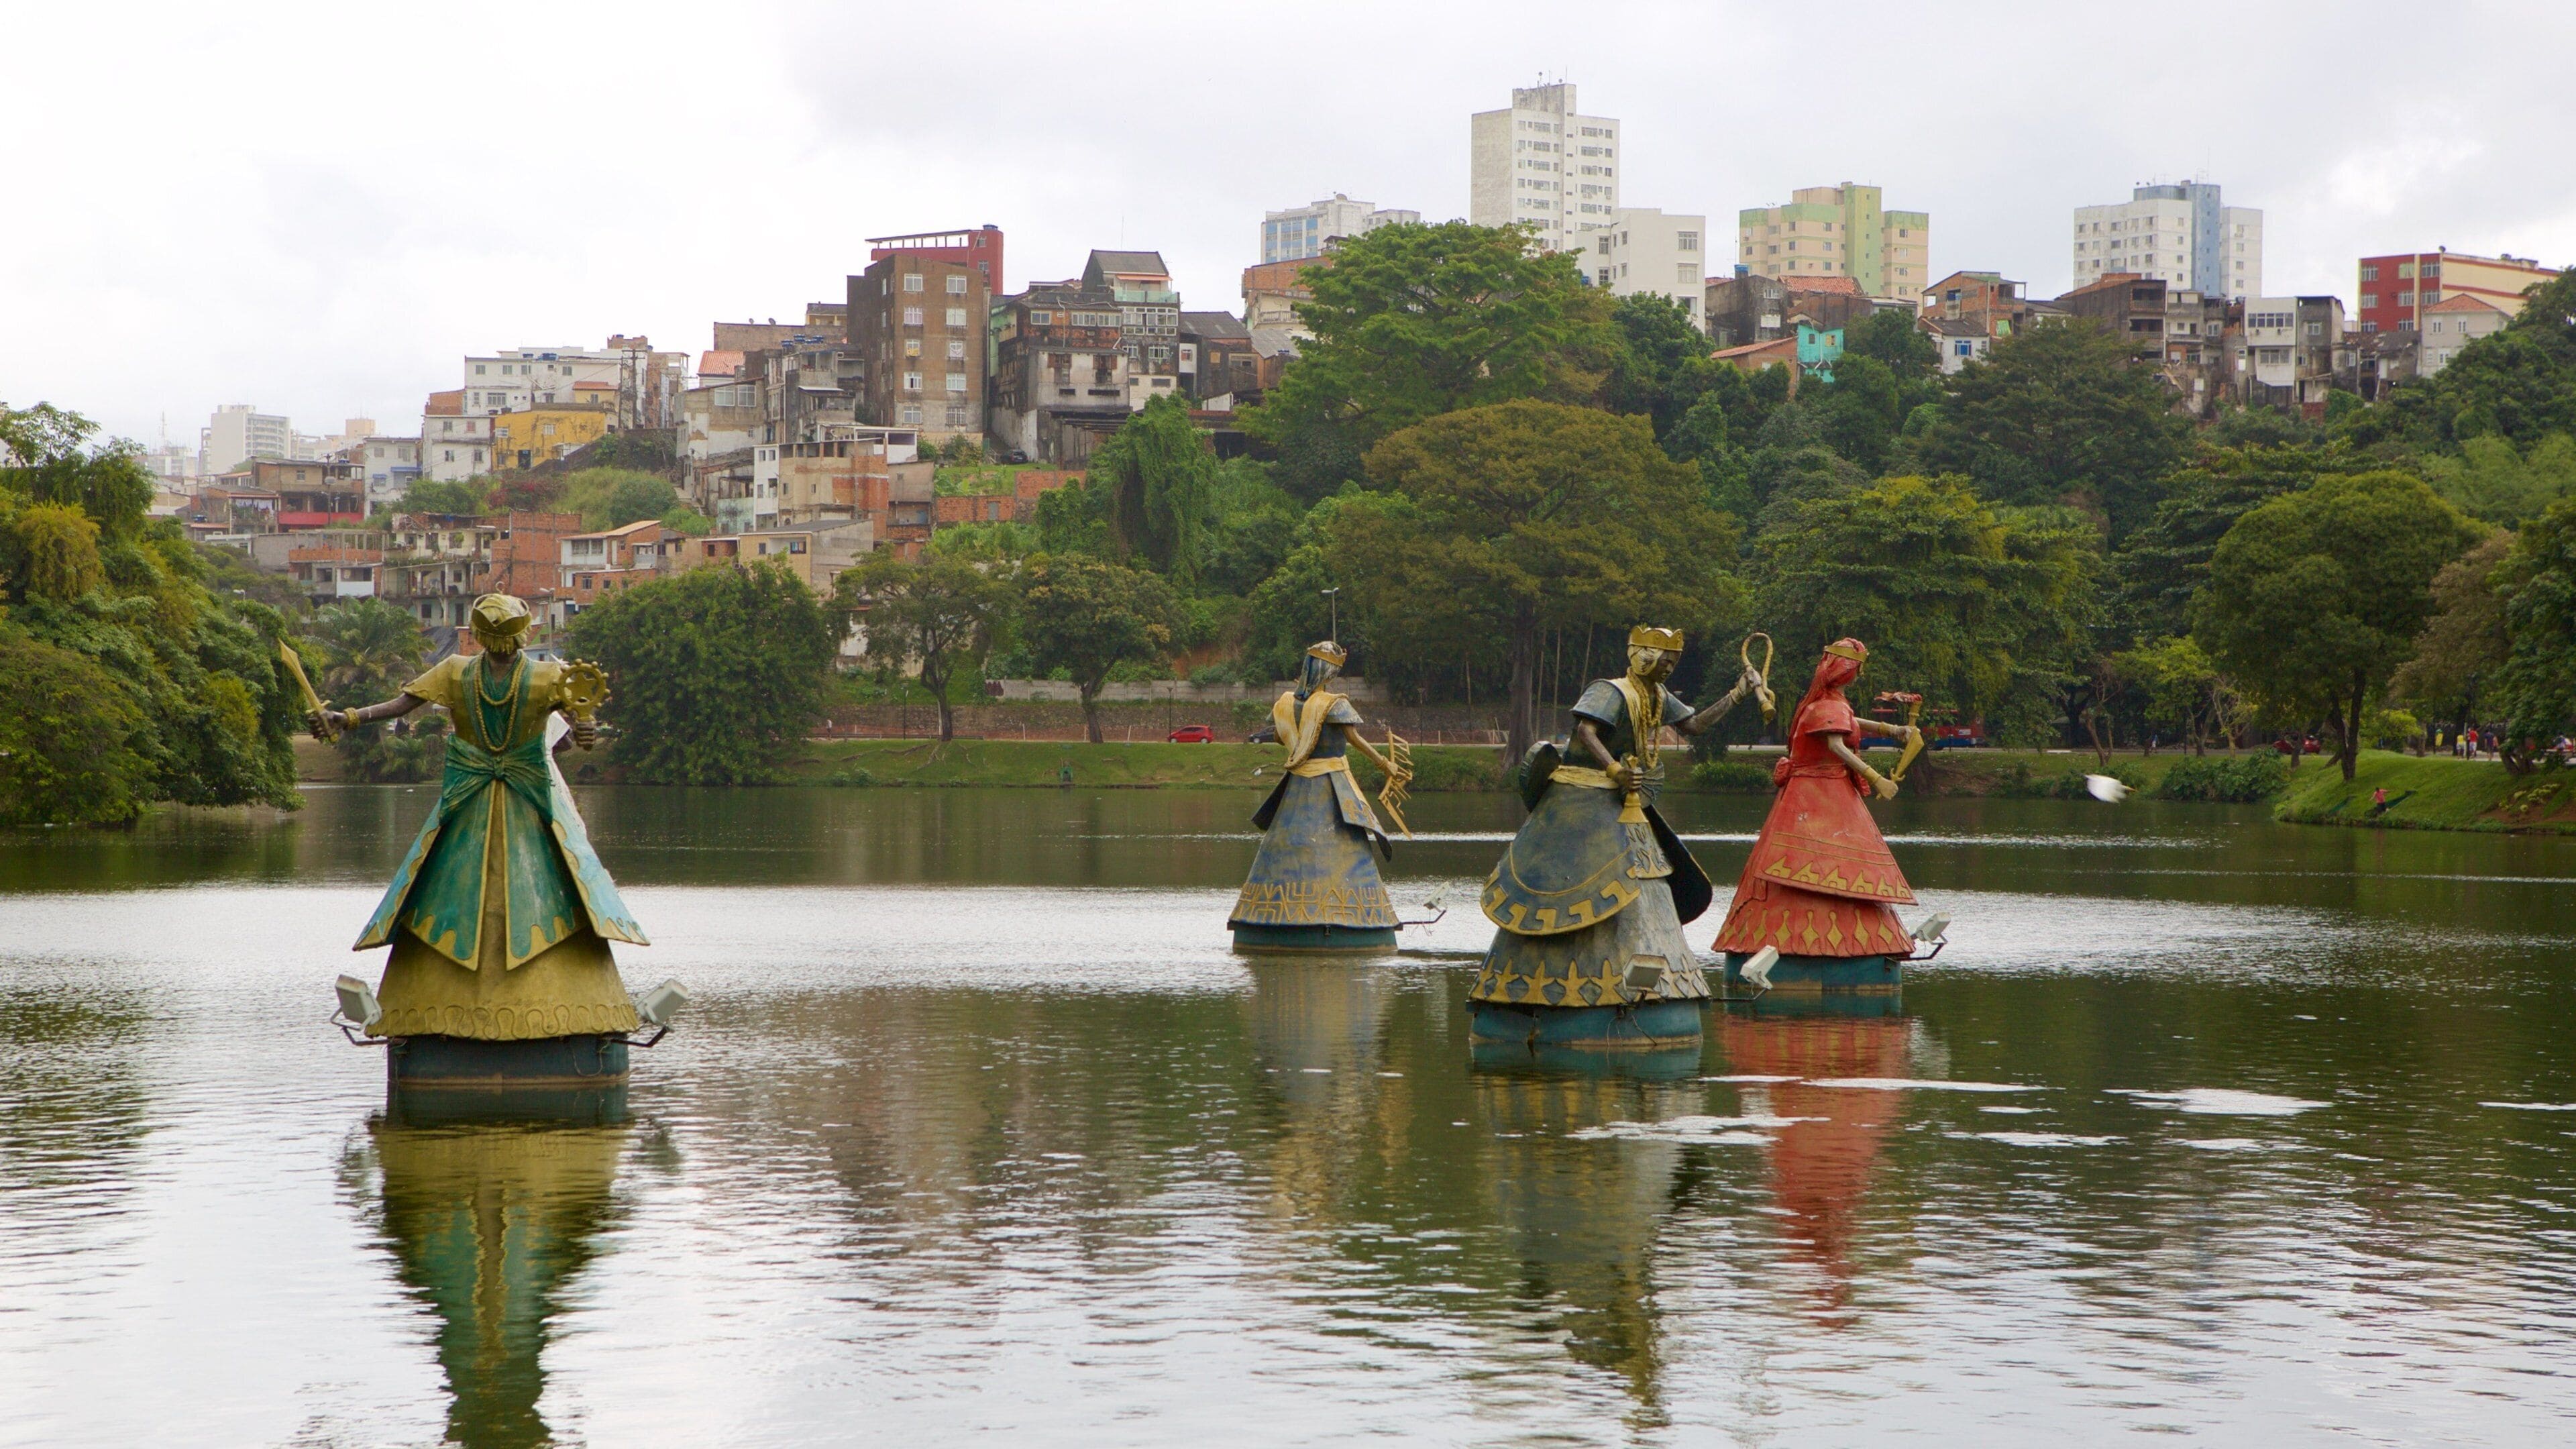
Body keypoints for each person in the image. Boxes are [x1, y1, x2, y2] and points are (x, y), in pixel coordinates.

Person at [313, 593, 645, 1040]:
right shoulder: (490, 673)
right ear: (523, 632)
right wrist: (347, 718)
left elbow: (400, 706)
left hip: (509, 798)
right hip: (488, 796)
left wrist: (348, 717)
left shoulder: (524, 676)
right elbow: (401, 705)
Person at [1469, 625, 1762, 1010]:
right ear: (1641, 655)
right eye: (1664, 660)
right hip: (1583, 796)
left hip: (1626, 799)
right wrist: (1614, 770)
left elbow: (1693, 726)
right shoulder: (1609, 690)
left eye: (1674, 662)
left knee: (1647, 879)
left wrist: (1738, 693)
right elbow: (1586, 731)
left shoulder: (1657, 695)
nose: (1669, 668)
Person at [1713, 639, 1919, 963]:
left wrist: (1891, 730)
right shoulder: (1827, 705)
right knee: (1818, 865)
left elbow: (1848, 720)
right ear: (1849, 671)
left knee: (1821, 864)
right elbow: (1837, 745)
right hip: (1818, 794)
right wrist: (1877, 777)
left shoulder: (1828, 701)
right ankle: (1817, 947)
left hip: (1816, 792)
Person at [1228, 641, 1405, 949]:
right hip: (1329, 785)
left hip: (1296, 788)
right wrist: (1384, 763)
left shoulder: (1286, 703)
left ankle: (1265, 920)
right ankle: (1347, 920)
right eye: (1335, 670)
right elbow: (1354, 738)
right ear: (1328, 671)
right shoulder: (1333, 704)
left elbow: (1279, 735)